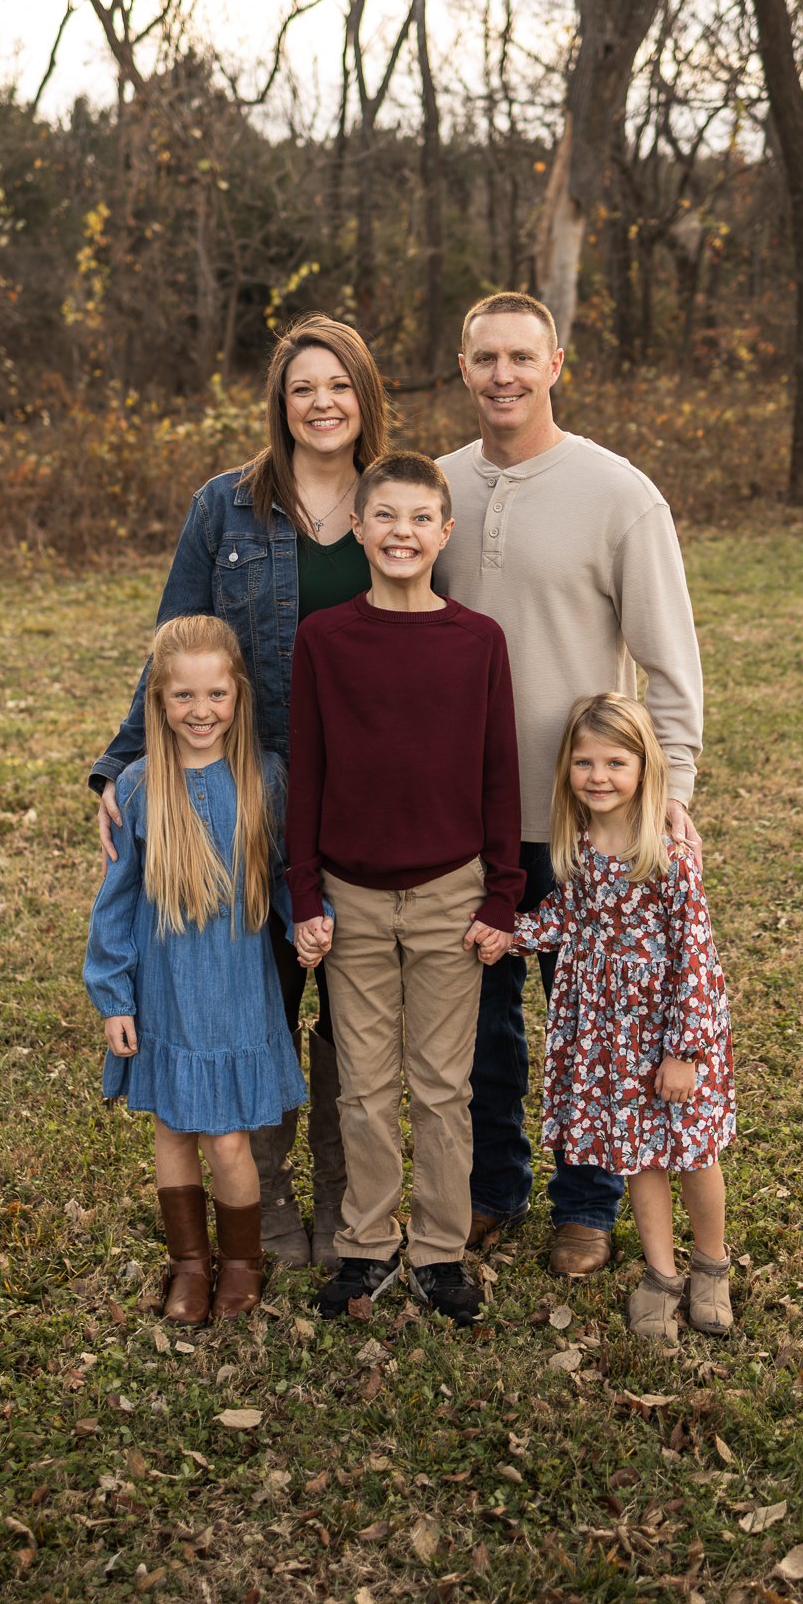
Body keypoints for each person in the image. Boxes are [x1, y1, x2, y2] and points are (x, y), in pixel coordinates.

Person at [90, 315, 391, 1270]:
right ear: (279, 403)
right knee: (254, 994)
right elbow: (174, 647)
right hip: (247, 797)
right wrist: (119, 769)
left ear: (364, 396)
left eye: (338, 385)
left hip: (365, 800)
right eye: (302, 388)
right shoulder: (223, 507)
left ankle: (349, 1202)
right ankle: (263, 1200)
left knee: (352, 1012)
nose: (321, 403)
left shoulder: (398, 502)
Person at [437, 292, 704, 1277]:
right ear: (463, 367)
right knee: (482, 1024)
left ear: (556, 364)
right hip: (465, 817)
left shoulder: (617, 494)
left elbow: (669, 660)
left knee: (595, 1024)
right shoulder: (436, 488)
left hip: (585, 820)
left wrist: (671, 791)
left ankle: (586, 1205)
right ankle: (492, 1187)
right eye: (485, 357)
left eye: (522, 356)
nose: (502, 375)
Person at [286, 452, 523, 1326]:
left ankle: (438, 1251)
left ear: (444, 533)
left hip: (449, 894)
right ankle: (366, 1245)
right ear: (358, 528)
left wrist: (500, 896)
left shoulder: (477, 641)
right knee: (362, 1086)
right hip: (348, 895)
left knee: (441, 1086)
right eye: (385, 516)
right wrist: (304, 895)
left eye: (421, 518)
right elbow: (306, 773)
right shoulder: (325, 640)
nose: (402, 533)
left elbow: (499, 776)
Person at [84, 615, 310, 1325]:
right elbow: (115, 903)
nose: (201, 710)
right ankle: (188, 1263)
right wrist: (114, 997)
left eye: (215, 694)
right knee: (174, 1131)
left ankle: (241, 1262)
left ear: (239, 693)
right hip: (164, 992)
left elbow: (285, 874)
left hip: (238, 991)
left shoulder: (265, 778)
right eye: (183, 695)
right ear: (158, 701)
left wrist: (309, 919)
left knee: (228, 1137)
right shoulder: (138, 788)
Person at [512, 694, 735, 1340]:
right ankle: (660, 1276)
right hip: (611, 1036)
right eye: (584, 762)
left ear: (644, 768)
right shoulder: (579, 845)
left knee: (694, 1153)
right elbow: (568, 919)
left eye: (615, 762)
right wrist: (509, 934)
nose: (598, 776)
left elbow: (696, 960)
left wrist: (684, 1054)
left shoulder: (667, 853)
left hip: (669, 1035)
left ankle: (711, 1267)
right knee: (636, 1155)